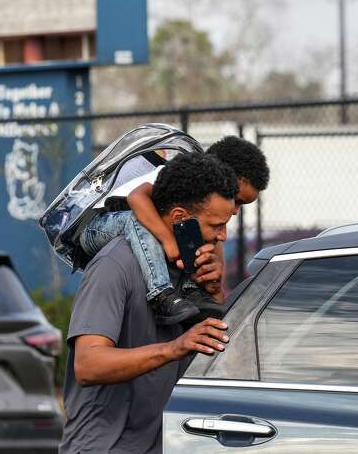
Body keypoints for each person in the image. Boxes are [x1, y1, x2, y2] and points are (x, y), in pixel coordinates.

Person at [59, 152, 238, 454]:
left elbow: (212, 350)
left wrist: (214, 292)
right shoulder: (115, 264)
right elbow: (88, 365)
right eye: (216, 225)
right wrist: (173, 348)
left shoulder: (190, 267)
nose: (223, 236)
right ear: (180, 218)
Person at [79, 136, 269, 324]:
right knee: (138, 221)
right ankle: (161, 294)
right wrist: (168, 240)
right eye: (236, 200)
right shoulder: (179, 176)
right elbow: (137, 197)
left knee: (190, 240)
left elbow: (219, 312)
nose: (235, 210)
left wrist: (213, 290)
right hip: (97, 225)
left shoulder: (202, 224)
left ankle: (191, 292)